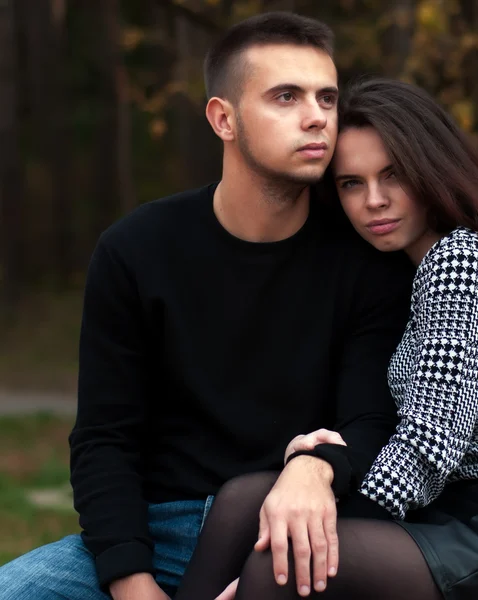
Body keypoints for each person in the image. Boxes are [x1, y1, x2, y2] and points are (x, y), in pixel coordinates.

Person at [0, 17, 415, 600]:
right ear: (224, 118)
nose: (318, 115)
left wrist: (315, 468)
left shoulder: (367, 261)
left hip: (292, 531)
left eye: (327, 97)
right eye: (286, 96)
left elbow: (372, 423)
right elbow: (104, 439)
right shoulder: (136, 249)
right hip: (154, 533)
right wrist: (130, 580)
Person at [173, 78, 478, 600]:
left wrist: (312, 527)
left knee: (286, 559)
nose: (374, 201)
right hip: (460, 509)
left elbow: (429, 444)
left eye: (392, 175)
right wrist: (316, 468)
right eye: (351, 183)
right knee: (247, 501)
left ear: (430, 167)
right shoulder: (408, 269)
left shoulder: (461, 259)